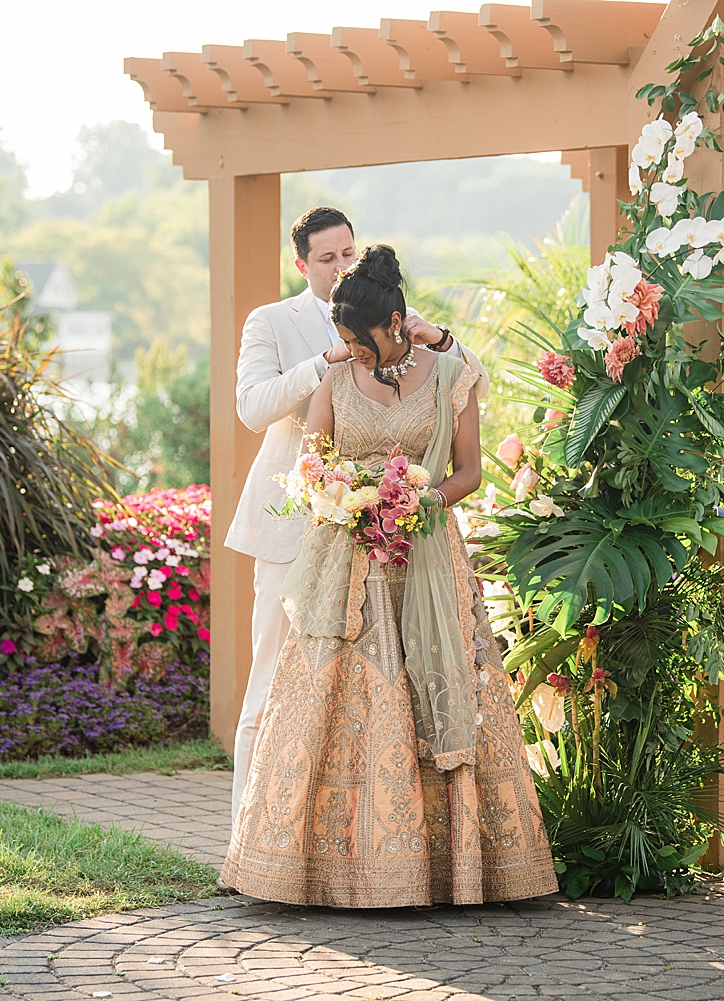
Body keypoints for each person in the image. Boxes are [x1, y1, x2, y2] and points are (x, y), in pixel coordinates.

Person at [220, 245, 558, 907]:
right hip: (348, 560)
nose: (353, 351)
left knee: (438, 685)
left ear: (398, 321)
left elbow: (469, 471)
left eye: (361, 338)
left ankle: (449, 867)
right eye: (343, 339)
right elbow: (311, 464)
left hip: (428, 555)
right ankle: (317, 867)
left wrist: (419, 501)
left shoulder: (449, 375)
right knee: (344, 700)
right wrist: (344, 494)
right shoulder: (336, 378)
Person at [224, 207, 488, 837]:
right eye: (327, 258)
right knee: (274, 684)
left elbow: (468, 382)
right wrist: (329, 359)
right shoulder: (271, 322)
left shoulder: (388, 312)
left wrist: (440, 338)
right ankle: (247, 837)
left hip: (388, 543)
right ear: (301, 264)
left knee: (364, 696)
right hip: (297, 525)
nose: (341, 265)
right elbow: (252, 409)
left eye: (348, 253)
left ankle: (345, 836)